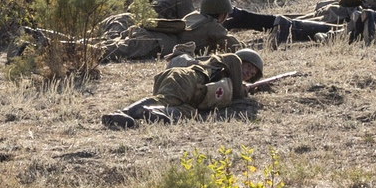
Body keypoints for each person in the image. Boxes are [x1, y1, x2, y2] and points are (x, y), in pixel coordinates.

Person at [103, 47, 266, 128]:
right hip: (188, 79)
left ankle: (151, 113)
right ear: (241, 61)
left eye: (252, 74)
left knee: (188, 113)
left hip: (192, 92)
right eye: (248, 67)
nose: (248, 73)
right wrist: (245, 89)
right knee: (164, 99)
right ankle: (121, 113)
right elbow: (237, 91)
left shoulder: (224, 76)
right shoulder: (231, 60)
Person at [99, 0, 201, 62]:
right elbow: (189, 24)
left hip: (123, 19)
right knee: (109, 50)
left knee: (104, 43)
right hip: (133, 23)